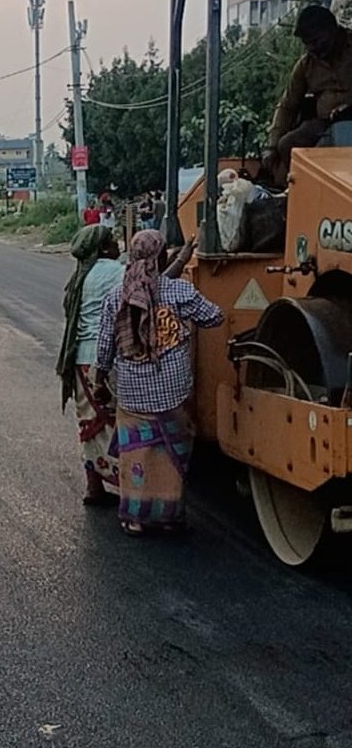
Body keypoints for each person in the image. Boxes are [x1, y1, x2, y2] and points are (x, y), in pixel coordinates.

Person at [95, 230, 223, 537]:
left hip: (132, 393)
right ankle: (168, 517)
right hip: (174, 392)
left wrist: (99, 378)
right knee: (170, 455)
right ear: (161, 257)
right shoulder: (179, 292)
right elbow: (215, 317)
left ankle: (135, 519)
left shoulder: (116, 296)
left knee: (135, 453)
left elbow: (104, 347)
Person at [57, 226, 125, 505]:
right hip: (108, 358)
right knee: (119, 420)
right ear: (105, 248)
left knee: (89, 421)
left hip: (81, 360)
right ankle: (129, 485)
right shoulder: (115, 271)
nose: (118, 245)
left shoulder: (79, 277)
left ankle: (93, 487)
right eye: (113, 241)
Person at [263, 5, 352, 187]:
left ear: (332, 29)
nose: (313, 48)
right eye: (308, 43)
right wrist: (271, 146)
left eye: (317, 41)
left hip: (349, 120)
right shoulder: (306, 65)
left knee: (344, 132)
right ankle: (303, 194)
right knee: (287, 144)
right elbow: (287, 106)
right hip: (324, 123)